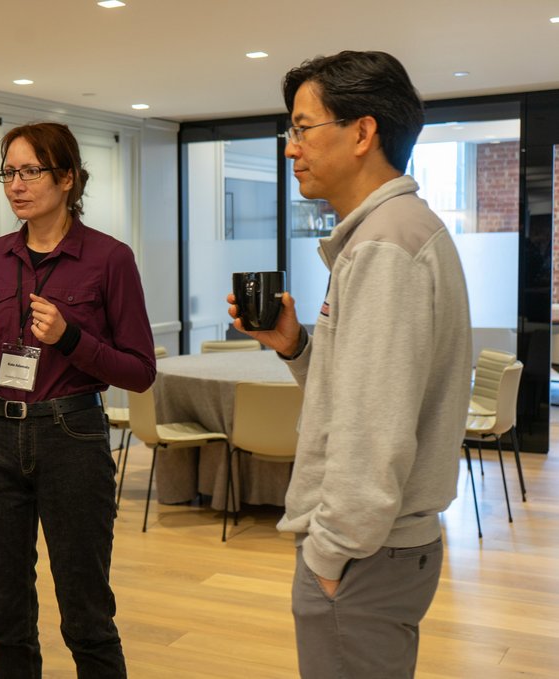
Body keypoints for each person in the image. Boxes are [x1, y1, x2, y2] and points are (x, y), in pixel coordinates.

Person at [227, 51, 472, 678]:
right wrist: (297, 347)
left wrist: (330, 557)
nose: (291, 149)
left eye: (303, 128)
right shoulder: (394, 232)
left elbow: (375, 434)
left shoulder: (386, 247)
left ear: (363, 132)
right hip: (381, 550)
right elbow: (363, 396)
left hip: (365, 556)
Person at [0, 122, 155, 678]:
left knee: (86, 611)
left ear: (67, 178)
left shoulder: (109, 258)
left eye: (31, 171)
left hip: (72, 436)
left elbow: (140, 371)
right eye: (8, 172)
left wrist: (69, 337)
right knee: (3, 609)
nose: (15, 185)